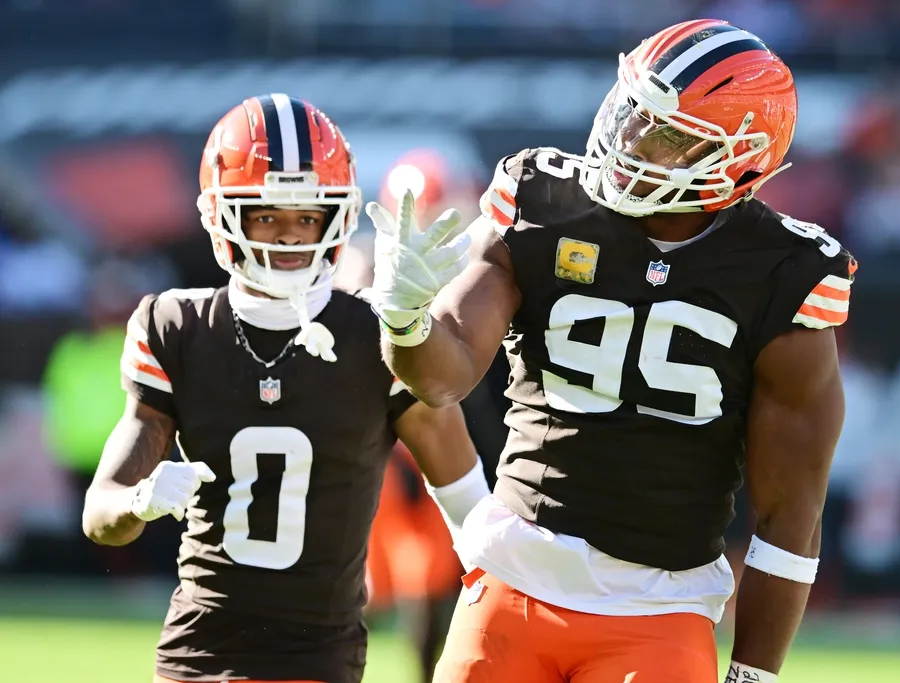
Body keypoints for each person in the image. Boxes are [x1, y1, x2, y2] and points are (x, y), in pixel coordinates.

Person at [368, 20, 856, 683]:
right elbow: (444, 375)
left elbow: (790, 511)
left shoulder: (786, 272)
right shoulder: (544, 201)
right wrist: (405, 320)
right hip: (516, 577)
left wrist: (753, 674)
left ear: (738, 159)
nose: (630, 139)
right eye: (632, 112)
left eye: (667, 133)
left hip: (661, 606)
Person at [81, 94, 483, 683]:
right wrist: (140, 500)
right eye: (266, 216)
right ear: (224, 216)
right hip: (198, 650)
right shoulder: (177, 327)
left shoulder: (377, 335)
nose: (289, 237)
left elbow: (472, 508)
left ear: (335, 218)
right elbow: (100, 512)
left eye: (306, 217)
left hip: (316, 657)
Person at [363, 150, 499, 683]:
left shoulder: (491, 276)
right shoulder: (366, 276)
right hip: (401, 458)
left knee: (444, 589)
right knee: (376, 588)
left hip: (458, 447)